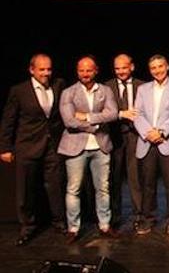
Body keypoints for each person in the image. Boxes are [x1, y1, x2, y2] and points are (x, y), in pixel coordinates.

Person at [1, 53, 67, 245]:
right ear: (32, 70)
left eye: (49, 69)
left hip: (52, 146)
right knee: (26, 189)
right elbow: (8, 120)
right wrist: (5, 147)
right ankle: (27, 226)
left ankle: (59, 222)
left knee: (55, 185)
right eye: (42, 69)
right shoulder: (19, 91)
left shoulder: (59, 84)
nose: (46, 73)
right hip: (27, 146)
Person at [58, 56, 119, 242]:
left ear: (96, 70)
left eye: (88, 70)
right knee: (73, 189)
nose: (85, 74)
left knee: (103, 189)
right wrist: (94, 124)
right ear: (77, 72)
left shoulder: (106, 90)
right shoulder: (68, 92)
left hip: (100, 146)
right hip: (75, 146)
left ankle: (104, 225)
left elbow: (113, 114)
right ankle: (73, 228)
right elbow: (69, 121)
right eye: (81, 70)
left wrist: (86, 117)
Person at [133, 54, 169, 236]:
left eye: (160, 66)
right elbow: (137, 114)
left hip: (167, 141)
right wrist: (149, 133)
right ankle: (148, 218)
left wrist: (161, 132)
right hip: (147, 141)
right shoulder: (143, 89)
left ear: (167, 67)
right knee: (147, 183)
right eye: (153, 68)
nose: (157, 70)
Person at [105, 53, 145, 230]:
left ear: (132, 67)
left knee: (135, 178)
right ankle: (115, 216)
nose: (121, 71)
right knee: (113, 178)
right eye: (117, 68)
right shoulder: (106, 87)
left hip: (135, 136)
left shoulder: (143, 86)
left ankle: (139, 215)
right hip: (114, 137)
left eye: (124, 67)